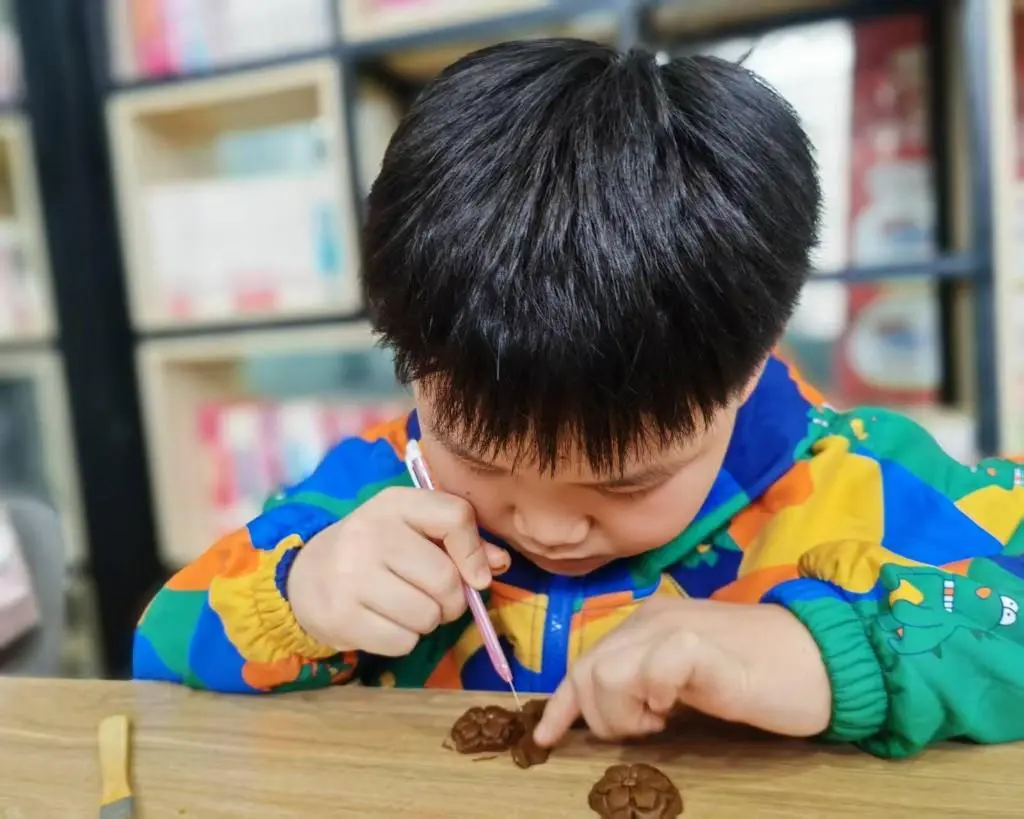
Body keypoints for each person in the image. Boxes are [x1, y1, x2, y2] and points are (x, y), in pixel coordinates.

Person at [133, 38, 1024, 759]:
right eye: (478, 458)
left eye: (628, 482)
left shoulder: (862, 485)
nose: (551, 527)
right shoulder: (378, 488)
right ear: (413, 369)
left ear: (750, 366)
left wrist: (821, 656)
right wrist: (300, 594)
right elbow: (156, 652)